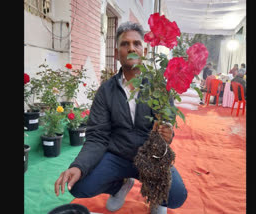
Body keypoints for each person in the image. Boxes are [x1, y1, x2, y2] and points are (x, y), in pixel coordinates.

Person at [54, 21, 187, 214]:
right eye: (125, 44)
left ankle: (155, 195)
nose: (131, 48)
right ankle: (120, 186)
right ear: (116, 53)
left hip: (150, 157)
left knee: (176, 197)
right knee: (79, 185)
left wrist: (166, 133)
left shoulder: (158, 86)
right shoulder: (106, 91)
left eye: (136, 43)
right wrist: (79, 166)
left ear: (145, 51)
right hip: (116, 155)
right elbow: (97, 136)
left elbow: (167, 126)